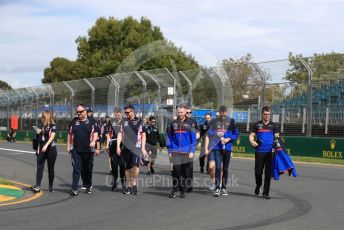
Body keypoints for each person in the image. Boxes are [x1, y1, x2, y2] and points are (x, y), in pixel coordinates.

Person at [206, 106, 239, 197]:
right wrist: (215, 134)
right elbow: (209, 132)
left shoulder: (232, 121)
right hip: (217, 147)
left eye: (224, 115)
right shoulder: (214, 121)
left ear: (227, 113)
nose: (223, 117)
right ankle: (217, 188)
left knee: (225, 168)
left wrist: (228, 139)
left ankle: (224, 188)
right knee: (218, 168)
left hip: (227, 148)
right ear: (219, 113)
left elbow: (236, 134)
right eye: (221, 115)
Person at [67, 104, 100, 195]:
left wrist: (94, 141)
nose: (79, 113)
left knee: (87, 169)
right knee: (77, 169)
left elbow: (96, 133)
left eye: (81, 112)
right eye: (77, 112)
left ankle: (88, 185)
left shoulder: (92, 121)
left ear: (85, 111)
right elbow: (69, 135)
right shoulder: (74, 121)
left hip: (88, 150)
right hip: (76, 150)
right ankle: (74, 188)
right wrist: (68, 146)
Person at [249, 106, 279, 200]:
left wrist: (276, 140)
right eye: (265, 114)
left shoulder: (273, 125)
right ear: (262, 114)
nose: (267, 116)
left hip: (270, 152)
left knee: (268, 173)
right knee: (258, 172)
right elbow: (251, 136)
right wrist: (252, 141)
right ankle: (258, 185)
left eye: (268, 114)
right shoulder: (257, 124)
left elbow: (277, 137)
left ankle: (266, 193)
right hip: (259, 152)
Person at [166, 104, 197, 198]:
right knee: (175, 171)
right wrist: (170, 151)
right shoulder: (173, 123)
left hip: (187, 152)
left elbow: (193, 139)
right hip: (175, 151)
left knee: (185, 172)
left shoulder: (191, 123)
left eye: (182, 112)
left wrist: (192, 151)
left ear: (185, 112)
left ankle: (182, 190)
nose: (180, 114)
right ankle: (174, 190)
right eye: (178, 112)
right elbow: (169, 138)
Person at [116, 105, 146, 195]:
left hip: (136, 147)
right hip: (126, 148)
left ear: (133, 112)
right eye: (125, 112)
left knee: (135, 166)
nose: (126, 114)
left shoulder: (139, 121)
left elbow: (143, 135)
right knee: (127, 167)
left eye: (128, 112)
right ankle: (129, 185)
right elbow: (120, 134)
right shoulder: (123, 121)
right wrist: (118, 146)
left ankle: (134, 184)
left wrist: (143, 147)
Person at [31, 111, 58, 193]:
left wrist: (46, 145)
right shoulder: (40, 126)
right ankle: (37, 185)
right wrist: (38, 132)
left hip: (51, 149)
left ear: (47, 117)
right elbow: (38, 137)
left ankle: (50, 186)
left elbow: (52, 136)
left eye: (43, 116)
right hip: (41, 149)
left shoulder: (53, 126)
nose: (41, 118)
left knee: (51, 169)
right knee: (40, 167)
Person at [106, 108, 126, 191]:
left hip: (122, 144)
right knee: (114, 165)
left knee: (122, 165)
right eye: (115, 115)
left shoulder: (125, 122)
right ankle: (114, 183)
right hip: (113, 144)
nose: (117, 116)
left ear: (121, 114)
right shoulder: (112, 122)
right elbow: (109, 134)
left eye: (118, 115)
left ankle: (123, 184)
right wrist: (107, 145)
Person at [184, 106, 199, 193]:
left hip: (190, 147)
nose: (189, 114)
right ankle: (182, 183)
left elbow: (198, 133)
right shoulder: (179, 121)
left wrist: (193, 140)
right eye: (187, 112)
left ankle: (189, 184)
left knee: (189, 166)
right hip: (181, 147)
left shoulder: (193, 122)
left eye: (190, 113)